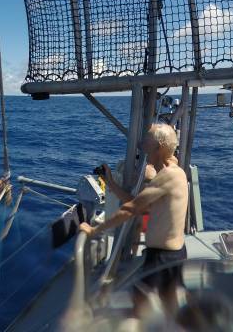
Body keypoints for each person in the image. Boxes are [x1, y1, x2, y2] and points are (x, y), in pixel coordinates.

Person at [79, 123, 189, 314]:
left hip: (163, 257)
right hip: (171, 253)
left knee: (140, 302)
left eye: (147, 141)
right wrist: (111, 184)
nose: (142, 145)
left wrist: (94, 230)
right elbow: (136, 201)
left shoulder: (167, 176)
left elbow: (130, 208)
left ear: (159, 148)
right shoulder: (174, 169)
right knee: (168, 304)